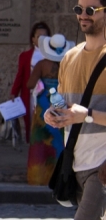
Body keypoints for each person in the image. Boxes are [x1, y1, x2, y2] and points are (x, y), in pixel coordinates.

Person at [25, 0, 106, 220]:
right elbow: (65, 107)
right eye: (79, 9)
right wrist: (56, 117)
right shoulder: (70, 58)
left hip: (105, 166)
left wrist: (85, 115)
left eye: (92, 10)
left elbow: (85, 113)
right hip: (78, 161)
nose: (83, 16)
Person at [26, 34, 72, 186]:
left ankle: (39, 176)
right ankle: (59, 175)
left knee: (41, 137)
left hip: (45, 101)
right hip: (62, 101)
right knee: (60, 137)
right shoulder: (69, 64)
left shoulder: (41, 64)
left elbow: (30, 84)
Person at [11, 22, 51, 143]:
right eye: (39, 36)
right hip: (30, 93)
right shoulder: (25, 56)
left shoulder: (54, 55)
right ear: (33, 39)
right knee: (31, 119)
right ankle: (31, 145)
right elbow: (20, 75)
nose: (42, 39)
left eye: (45, 36)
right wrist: (14, 92)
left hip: (48, 93)